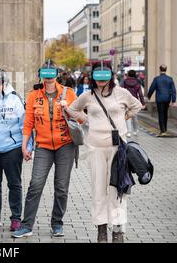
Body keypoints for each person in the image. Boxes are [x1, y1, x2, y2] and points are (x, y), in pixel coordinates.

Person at [62, 62, 142, 243]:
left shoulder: (122, 93)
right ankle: (101, 230)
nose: (100, 81)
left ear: (110, 77)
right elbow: (73, 109)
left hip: (118, 149)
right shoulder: (87, 96)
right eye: (97, 78)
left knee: (118, 189)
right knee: (98, 189)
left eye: (104, 78)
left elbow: (137, 106)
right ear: (93, 78)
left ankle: (118, 229)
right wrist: (87, 119)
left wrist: (123, 119)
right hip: (95, 148)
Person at [12, 60, 79, 239]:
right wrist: (24, 146)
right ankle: (26, 225)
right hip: (43, 146)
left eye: (52, 74)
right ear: (41, 74)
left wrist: (68, 109)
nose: (48, 78)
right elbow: (28, 124)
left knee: (61, 187)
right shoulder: (34, 95)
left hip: (66, 145)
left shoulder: (69, 93)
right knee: (35, 184)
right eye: (45, 74)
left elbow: (80, 119)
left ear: (57, 74)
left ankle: (57, 223)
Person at [0, 69, 31, 232]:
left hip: (12, 148)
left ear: (5, 83)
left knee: (14, 184)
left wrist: (27, 147)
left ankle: (16, 218)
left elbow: (25, 124)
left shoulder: (16, 99)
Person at [147, 65, 177, 137]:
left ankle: (162, 130)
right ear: (166, 70)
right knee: (165, 114)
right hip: (167, 99)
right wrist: (173, 101)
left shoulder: (157, 79)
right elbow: (173, 90)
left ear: (159, 70)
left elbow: (152, 88)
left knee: (161, 114)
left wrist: (148, 96)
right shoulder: (170, 79)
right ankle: (165, 129)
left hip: (159, 99)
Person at [122, 70, 146, 137]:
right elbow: (140, 94)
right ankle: (135, 131)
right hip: (134, 101)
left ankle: (128, 132)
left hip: (126, 101)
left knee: (128, 116)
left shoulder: (125, 82)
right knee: (134, 116)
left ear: (128, 75)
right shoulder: (137, 82)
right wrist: (143, 103)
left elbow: (122, 91)